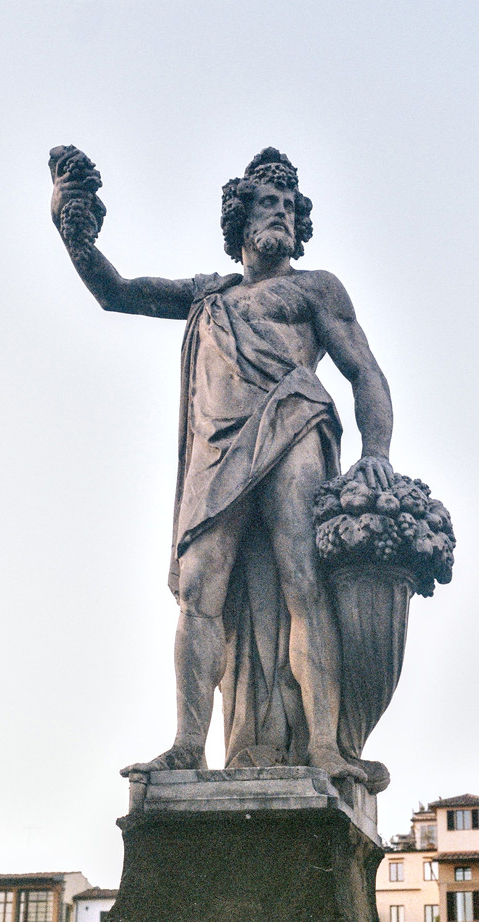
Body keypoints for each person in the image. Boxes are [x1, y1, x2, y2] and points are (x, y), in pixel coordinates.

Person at [50, 146, 394, 787]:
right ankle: (186, 744)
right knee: (200, 589)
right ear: (240, 219)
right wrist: (72, 226)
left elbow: (363, 371)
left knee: (302, 580)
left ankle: (323, 746)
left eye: (290, 206)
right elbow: (116, 292)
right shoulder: (211, 294)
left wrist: (376, 452)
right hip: (218, 450)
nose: (282, 214)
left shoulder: (316, 288)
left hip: (293, 422)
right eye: (269, 203)